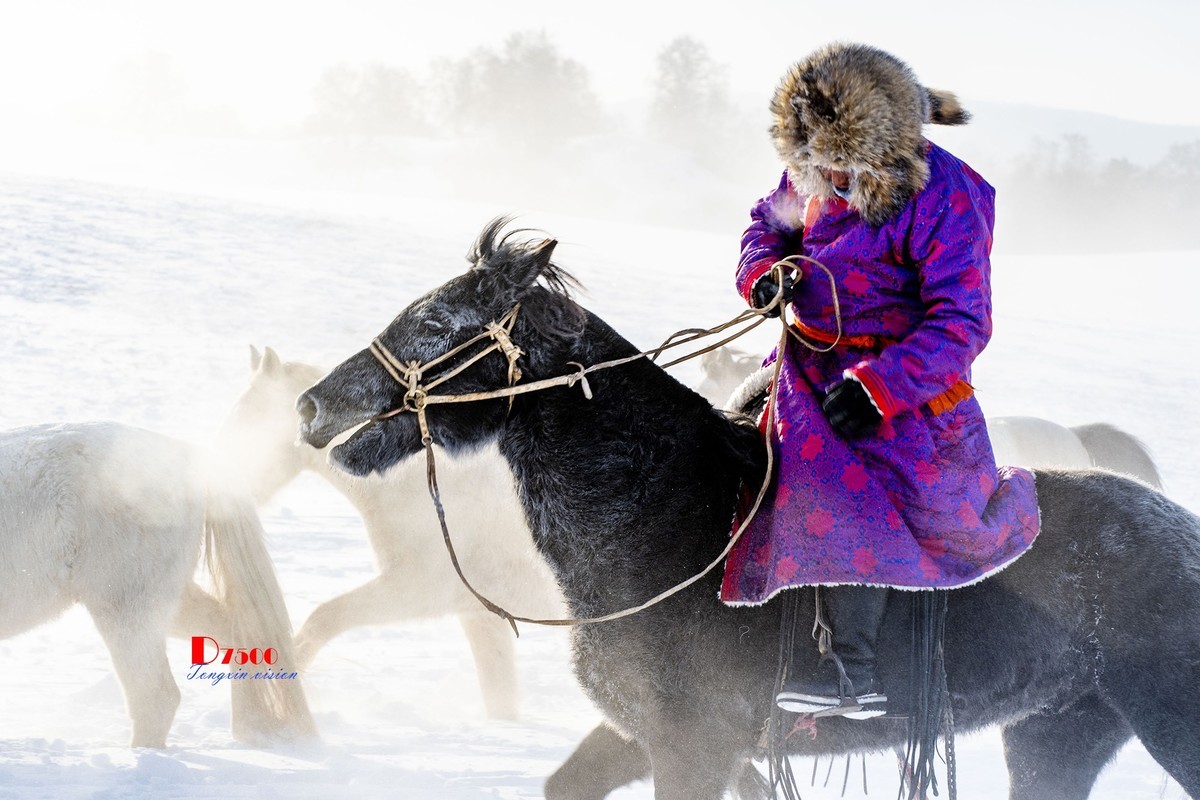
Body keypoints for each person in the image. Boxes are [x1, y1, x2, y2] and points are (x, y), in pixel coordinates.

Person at [718, 43, 1041, 719]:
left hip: (902, 388)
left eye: (841, 160)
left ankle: (850, 669)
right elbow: (766, 226)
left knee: (843, 476)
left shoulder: (946, 195)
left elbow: (962, 322)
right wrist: (763, 274)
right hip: (803, 367)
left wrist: (879, 388)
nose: (827, 175)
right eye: (815, 159)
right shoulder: (808, 175)